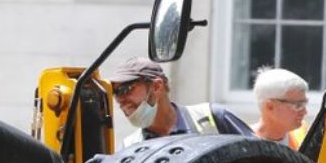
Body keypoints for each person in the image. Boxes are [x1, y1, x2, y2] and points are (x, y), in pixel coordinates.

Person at [108, 57, 252, 146]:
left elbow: (263, 160)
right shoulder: (130, 147)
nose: (120, 100)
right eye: (115, 93)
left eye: (125, 90)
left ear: (157, 87)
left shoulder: (213, 118)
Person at [251, 67, 309, 150]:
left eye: (304, 104)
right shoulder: (243, 143)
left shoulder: (302, 135)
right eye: (298, 105)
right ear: (270, 107)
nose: (305, 112)